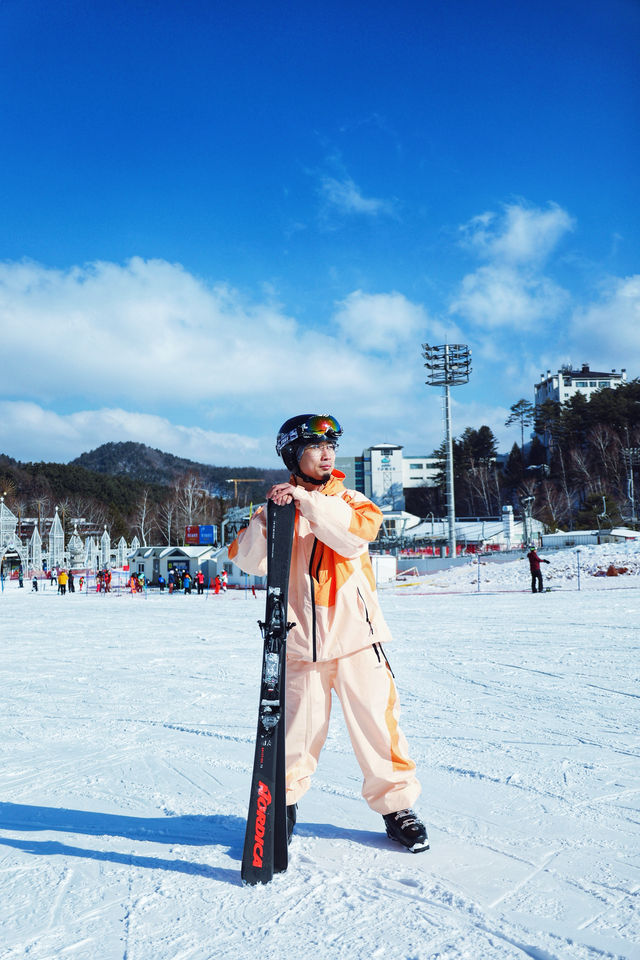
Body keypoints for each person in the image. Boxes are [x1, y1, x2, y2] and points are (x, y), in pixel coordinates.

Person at [229, 414, 428, 853]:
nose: (327, 454)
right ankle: (281, 805)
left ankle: (397, 807)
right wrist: (269, 519)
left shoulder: (353, 500)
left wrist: (305, 500)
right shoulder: (276, 509)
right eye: (316, 447)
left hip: (357, 640)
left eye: (331, 446)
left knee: (378, 727)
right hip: (301, 644)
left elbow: (354, 538)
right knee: (296, 733)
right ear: (292, 455)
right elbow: (247, 561)